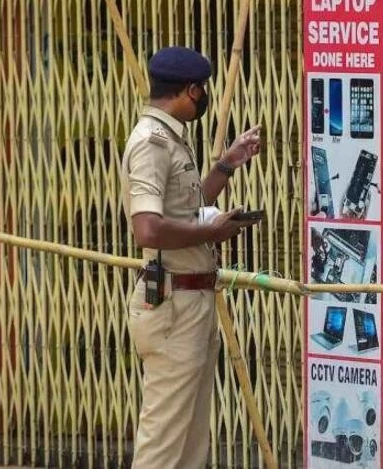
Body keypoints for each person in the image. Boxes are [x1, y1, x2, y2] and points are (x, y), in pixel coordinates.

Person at [119, 46, 262, 468]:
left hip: (191, 302)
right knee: (163, 445)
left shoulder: (172, 138)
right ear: (191, 90)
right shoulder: (151, 143)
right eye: (202, 90)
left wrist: (227, 165)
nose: (203, 99)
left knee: (190, 442)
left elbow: (186, 209)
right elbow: (147, 228)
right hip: (173, 306)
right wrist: (211, 232)